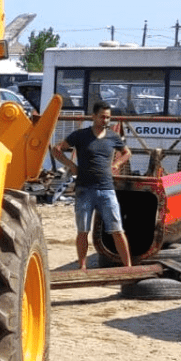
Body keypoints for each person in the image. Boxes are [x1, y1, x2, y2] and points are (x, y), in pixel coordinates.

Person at [53, 101, 133, 270]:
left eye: (108, 117)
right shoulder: (81, 135)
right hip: (84, 189)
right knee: (83, 230)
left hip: (106, 188)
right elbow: (57, 149)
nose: (105, 120)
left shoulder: (113, 136)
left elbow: (127, 152)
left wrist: (117, 164)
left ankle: (128, 267)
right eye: (102, 117)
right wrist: (71, 165)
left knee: (117, 230)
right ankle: (82, 266)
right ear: (94, 116)